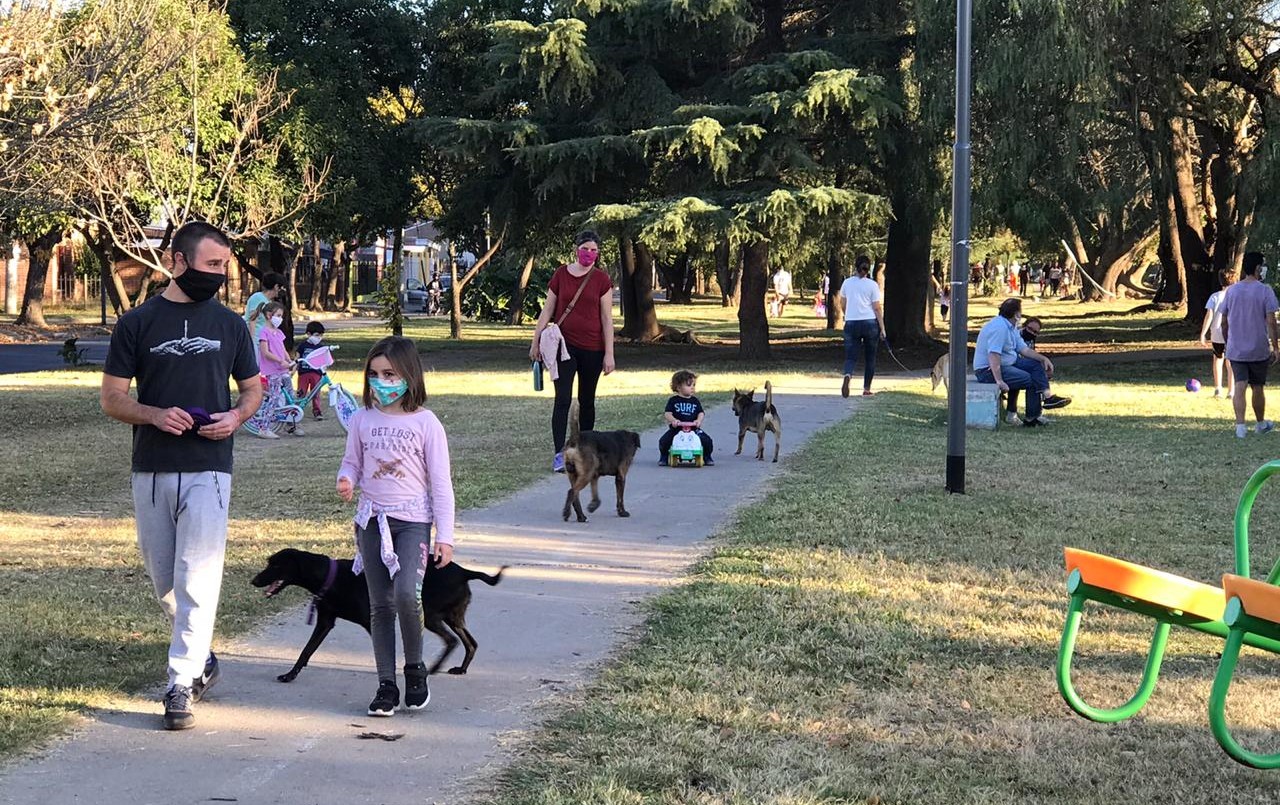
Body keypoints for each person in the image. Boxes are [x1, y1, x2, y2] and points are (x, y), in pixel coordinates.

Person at [100, 221, 263, 731]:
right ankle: (200, 655)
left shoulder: (231, 325)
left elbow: (253, 390)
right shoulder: (137, 323)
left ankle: (180, 684)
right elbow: (112, 398)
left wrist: (235, 418)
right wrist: (153, 414)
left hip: (209, 469)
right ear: (176, 261)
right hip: (151, 467)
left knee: (198, 576)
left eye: (223, 266)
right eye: (211, 264)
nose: (219, 274)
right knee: (167, 582)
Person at [337, 336, 456, 716]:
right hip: (372, 521)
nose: (381, 382)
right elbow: (352, 462)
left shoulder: (426, 423)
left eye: (389, 374)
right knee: (380, 605)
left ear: (409, 375)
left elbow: (441, 483)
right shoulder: (361, 419)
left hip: (412, 523)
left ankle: (415, 670)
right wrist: (346, 478)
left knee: (407, 595)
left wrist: (445, 536)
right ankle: (386, 685)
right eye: (374, 374)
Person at [529, 230, 616, 473]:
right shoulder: (561, 274)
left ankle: (585, 452)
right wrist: (536, 341)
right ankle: (560, 454)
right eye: (585, 249)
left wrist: (609, 353)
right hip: (563, 348)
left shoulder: (601, 280)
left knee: (587, 401)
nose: (589, 254)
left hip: (593, 348)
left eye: (594, 250)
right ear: (576, 249)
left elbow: (607, 318)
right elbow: (547, 310)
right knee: (562, 400)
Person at [1220, 252, 1279, 438]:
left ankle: (1240, 427)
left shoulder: (1231, 291)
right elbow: (1271, 322)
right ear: (1257, 268)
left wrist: (1228, 341)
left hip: (1236, 347)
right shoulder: (1265, 291)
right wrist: (1276, 346)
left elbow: (1223, 321)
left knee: (1239, 384)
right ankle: (1260, 423)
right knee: (1257, 386)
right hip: (1258, 347)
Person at [973, 298, 1056, 427]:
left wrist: (1043, 359)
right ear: (1016, 314)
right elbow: (993, 355)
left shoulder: (1011, 327)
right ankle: (1032, 417)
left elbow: (1023, 349)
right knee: (1030, 379)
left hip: (1009, 362)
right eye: (1020, 312)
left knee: (1036, 366)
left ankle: (1047, 398)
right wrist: (999, 381)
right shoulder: (999, 327)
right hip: (987, 371)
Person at [1003, 316, 1071, 424]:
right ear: (1024, 326)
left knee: (1036, 375)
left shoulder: (1031, 339)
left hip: (1021, 365)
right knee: (1029, 377)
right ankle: (1014, 413)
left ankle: (1035, 415)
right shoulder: (1016, 335)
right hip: (1007, 366)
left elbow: (1030, 356)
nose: (1032, 333)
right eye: (1030, 329)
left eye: (1035, 332)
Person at [246, 301, 297, 438]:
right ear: (269, 315)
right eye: (278, 315)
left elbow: (283, 349)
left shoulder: (278, 332)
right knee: (274, 398)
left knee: (290, 396)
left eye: (281, 316)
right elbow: (265, 352)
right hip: (273, 370)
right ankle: (264, 428)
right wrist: (280, 361)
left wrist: (289, 360)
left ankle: (291, 424)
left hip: (283, 369)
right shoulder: (264, 332)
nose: (280, 319)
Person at [839, 255, 885, 398]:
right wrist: (882, 327)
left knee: (850, 356)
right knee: (870, 357)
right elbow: (877, 308)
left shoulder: (847, 283)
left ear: (856, 267)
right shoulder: (872, 285)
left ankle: (848, 375)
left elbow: (842, 303)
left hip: (851, 322)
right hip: (869, 323)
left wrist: (848, 314)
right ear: (868, 268)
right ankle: (866, 388)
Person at [657, 370, 714, 466]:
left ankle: (707, 456)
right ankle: (664, 456)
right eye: (689, 385)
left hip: (693, 429)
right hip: (677, 428)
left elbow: (700, 413)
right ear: (678, 387)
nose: (692, 387)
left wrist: (698, 420)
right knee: (664, 441)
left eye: (694, 385)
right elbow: (668, 413)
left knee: (706, 440)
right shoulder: (673, 400)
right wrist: (673, 420)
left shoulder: (695, 401)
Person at [1200, 270, 1236, 399]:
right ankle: (1231, 391)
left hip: (1216, 332)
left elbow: (1209, 316)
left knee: (1217, 359)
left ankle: (1218, 389)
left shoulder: (1214, 296)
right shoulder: (1236, 297)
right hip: (1232, 333)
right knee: (1231, 362)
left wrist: (1203, 333)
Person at [296, 320, 329, 421]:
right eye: (317, 335)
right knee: (301, 392)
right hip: (303, 373)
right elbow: (297, 358)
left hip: (316, 373)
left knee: (316, 393)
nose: (319, 338)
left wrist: (325, 367)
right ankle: (297, 409)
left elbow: (324, 360)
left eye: (321, 335)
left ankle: (317, 410)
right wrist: (294, 368)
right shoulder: (302, 346)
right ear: (309, 334)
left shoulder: (320, 347)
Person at [243, 272, 286, 338]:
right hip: (256, 340)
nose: (283, 290)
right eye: (282, 287)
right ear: (276, 287)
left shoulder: (269, 301)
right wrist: (252, 341)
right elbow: (252, 321)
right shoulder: (257, 298)